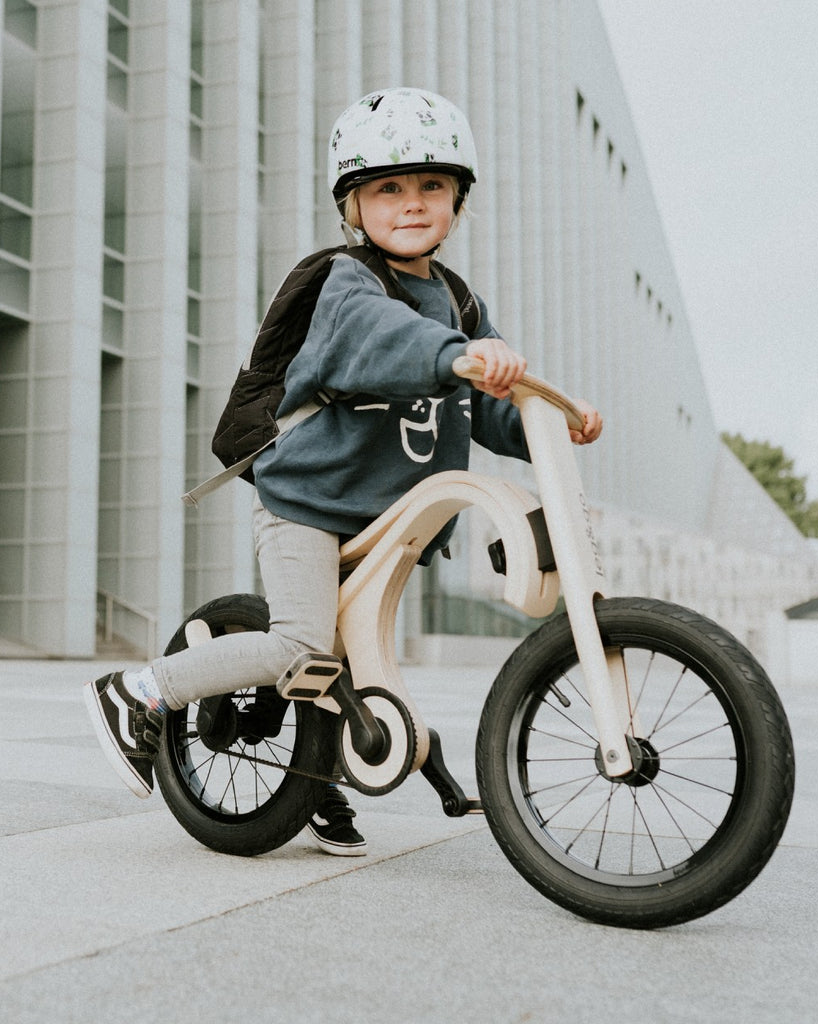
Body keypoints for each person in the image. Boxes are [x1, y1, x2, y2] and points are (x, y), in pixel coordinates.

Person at [84, 87, 602, 856]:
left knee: (351, 657)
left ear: (458, 200)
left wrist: (548, 417)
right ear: (353, 206)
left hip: (383, 514)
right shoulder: (348, 284)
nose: (412, 202)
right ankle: (138, 692)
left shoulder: (459, 303)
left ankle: (312, 780)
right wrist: (457, 356)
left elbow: (484, 411)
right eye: (387, 187)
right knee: (302, 644)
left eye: (432, 185)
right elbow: (379, 337)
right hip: (308, 500)